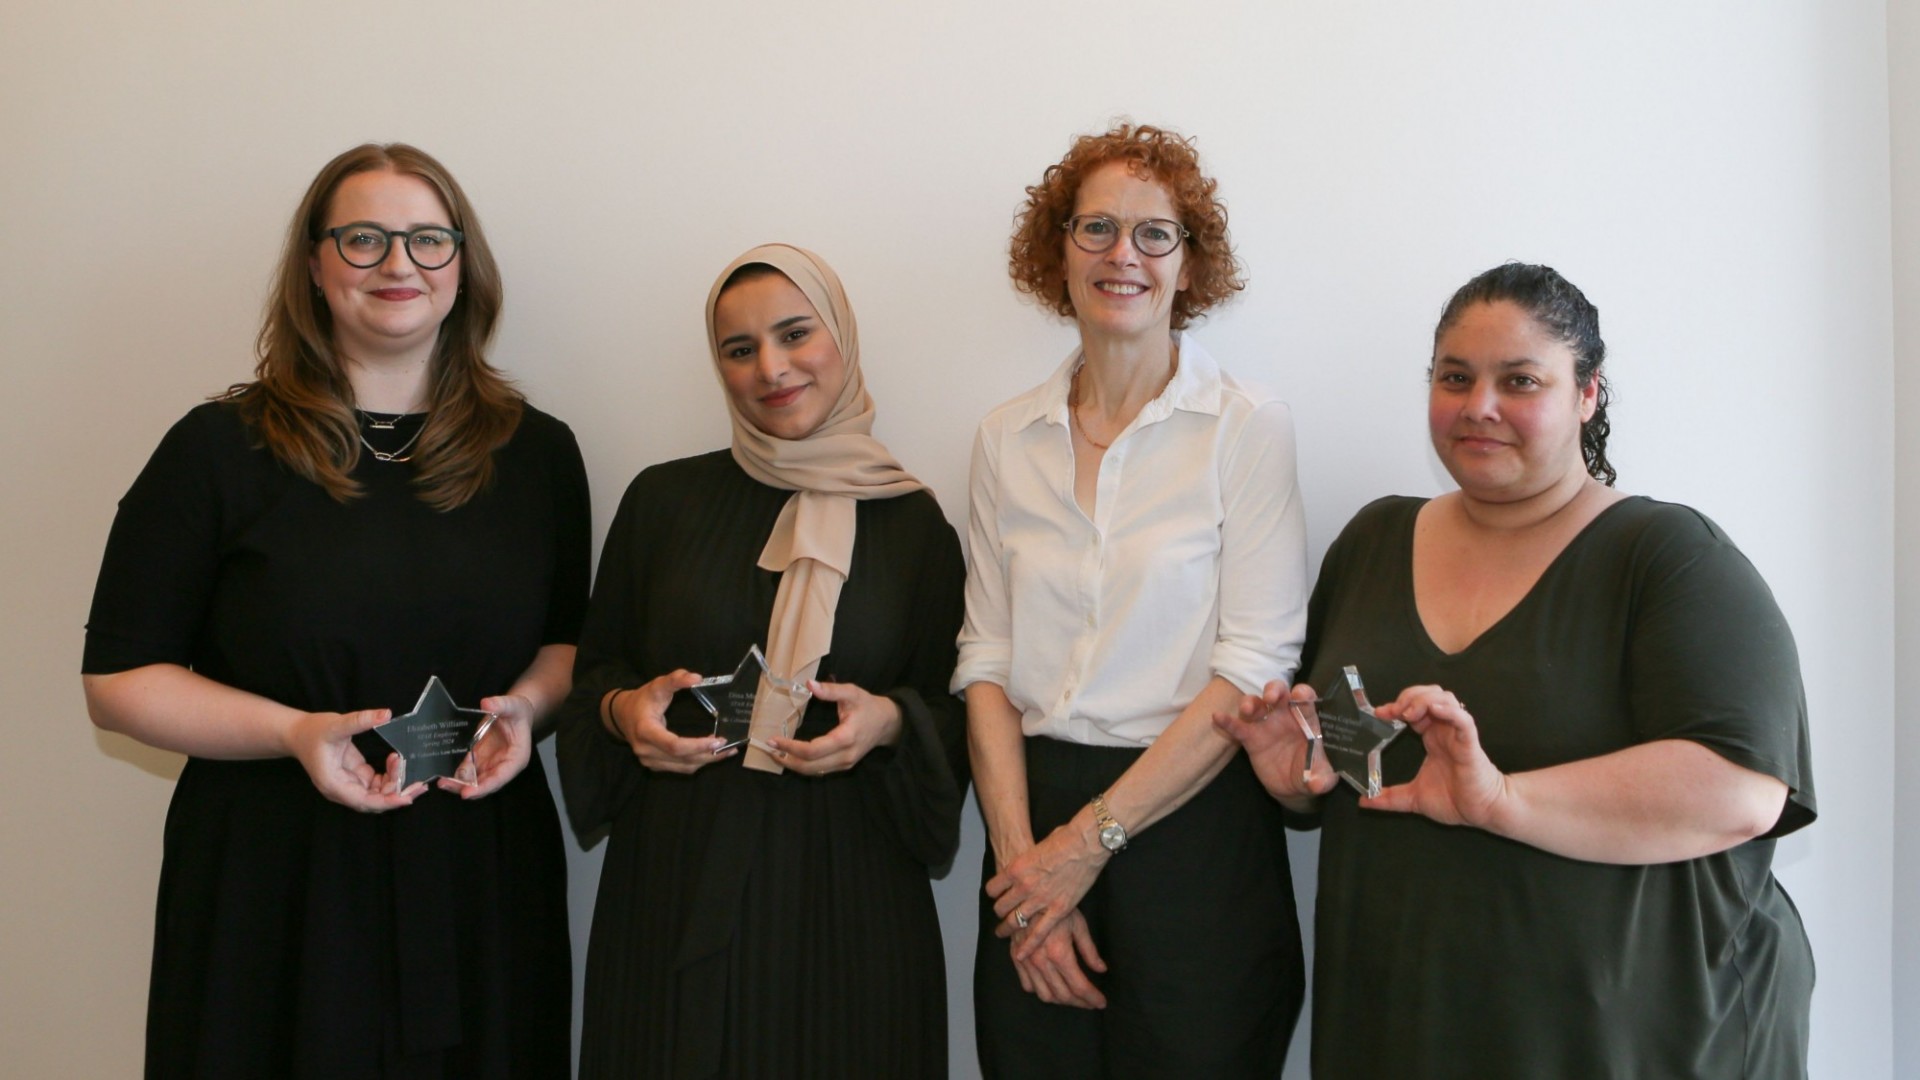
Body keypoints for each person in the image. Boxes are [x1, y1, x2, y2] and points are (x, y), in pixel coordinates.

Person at [1217, 262, 1817, 1078]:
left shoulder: (1669, 560)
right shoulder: (1371, 543)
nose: (1480, 406)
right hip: (1405, 1025)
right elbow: (1361, 768)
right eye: (1455, 377)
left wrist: (1500, 800)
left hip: (1626, 1036)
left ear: (1587, 396)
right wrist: (1295, 777)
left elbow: (1744, 790)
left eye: (1520, 380)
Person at [82, 143, 587, 1077]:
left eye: (429, 240)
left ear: (463, 266)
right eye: (364, 239)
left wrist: (525, 708)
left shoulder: (540, 456)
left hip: (478, 870)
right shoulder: (215, 450)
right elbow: (117, 684)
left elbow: (567, 644)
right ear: (314, 266)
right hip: (273, 879)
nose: (400, 265)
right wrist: (293, 732)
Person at [556, 243, 967, 1079]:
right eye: (739, 350)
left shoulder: (914, 527)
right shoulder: (663, 502)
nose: (770, 368)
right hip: (675, 884)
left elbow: (962, 714)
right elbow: (593, 675)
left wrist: (890, 722)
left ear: (842, 341)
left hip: (849, 901)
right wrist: (620, 713)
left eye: (794, 335)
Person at [954, 122, 1309, 1077]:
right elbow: (984, 661)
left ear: (1191, 266)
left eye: (1156, 234)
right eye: (1097, 228)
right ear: (1056, 251)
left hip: (1192, 830)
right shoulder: (1002, 439)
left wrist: (1087, 844)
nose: (1124, 255)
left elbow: (1254, 665)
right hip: (1029, 819)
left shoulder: (1245, 427)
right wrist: (1028, 871)